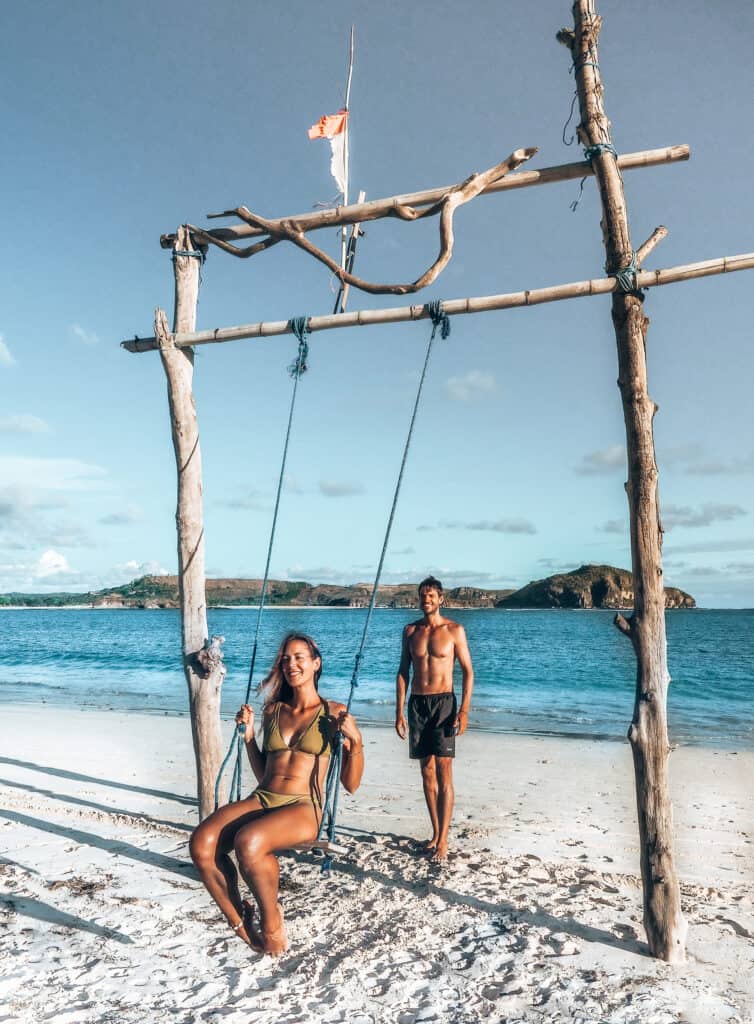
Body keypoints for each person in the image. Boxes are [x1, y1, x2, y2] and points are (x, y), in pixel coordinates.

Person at [189, 632, 364, 954]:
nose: (291, 664)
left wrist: (356, 742)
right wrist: (249, 738)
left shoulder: (334, 713)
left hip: (304, 807)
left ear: (316, 663)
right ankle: (242, 924)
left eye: (299, 657)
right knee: (201, 844)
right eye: (285, 659)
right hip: (264, 797)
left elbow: (351, 785)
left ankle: (271, 923)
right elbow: (264, 773)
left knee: (249, 840)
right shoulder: (273, 710)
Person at [395, 576, 473, 862]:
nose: (425, 599)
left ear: (441, 599)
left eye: (430, 595)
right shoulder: (410, 631)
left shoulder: (454, 630)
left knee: (444, 771)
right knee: (426, 771)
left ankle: (444, 840)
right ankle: (435, 833)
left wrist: (463, 711)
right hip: (417, 704)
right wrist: (399, 711)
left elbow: (468, 672)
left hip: (444, 704)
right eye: (422, 595)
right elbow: (403, 671)